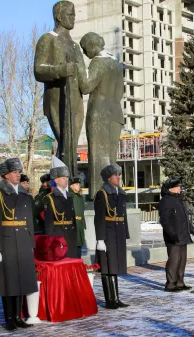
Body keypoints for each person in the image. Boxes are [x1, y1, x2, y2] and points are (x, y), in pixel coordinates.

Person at [34, 0, 85, 176]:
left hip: (76, 100)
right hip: (57, 98)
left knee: (72, 144)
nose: (73, 17)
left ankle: (70, 182)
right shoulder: (48, 39)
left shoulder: (75, 45)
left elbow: (83, 79)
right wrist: (60, 70)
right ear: (58, 16)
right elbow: (38, 70)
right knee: (64, 142)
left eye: (74, 14)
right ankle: (63, 183)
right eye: (69, 14)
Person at [0, 158, 37, 331]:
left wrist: (31, 242)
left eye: (18, 172)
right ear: (6, 175)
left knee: (21, 280)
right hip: (7, 240)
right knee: (9, 282)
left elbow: (29, 219)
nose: (18, 175)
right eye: (15, 172)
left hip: (23, 240)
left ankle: (18, 316)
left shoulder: (24, 193)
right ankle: (9, 318)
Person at [77, 31, 125, 199]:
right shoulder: (117, 65)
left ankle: (98, 195)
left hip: (99, 113)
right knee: (111, 156)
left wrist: (79, 67)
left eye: (84, 49)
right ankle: (113, 193)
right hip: (116, 113)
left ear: (91, 46)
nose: (85, 53)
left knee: (97, 156)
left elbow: (86, 86)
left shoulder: (99, 62)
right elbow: (121, 92)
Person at [94, 163, 130, 309]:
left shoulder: (120, 193)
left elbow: (123, 215)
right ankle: (110, 299)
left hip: (118, 232)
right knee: (107, 267)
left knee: (115, 266)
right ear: (109, 178)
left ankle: (116, 298)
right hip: (108, 233)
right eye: (116, 175)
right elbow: (99, 218)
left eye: (119, 175)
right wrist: (100, 238)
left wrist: (125, 233)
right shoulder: (102, 194)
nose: (118, 177)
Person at [159, 177, 194, 292]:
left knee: (182, 259)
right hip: (173, 235)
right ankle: (171, 283)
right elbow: (165, 220)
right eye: (177, 187)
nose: (180, 189)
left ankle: (180, 282)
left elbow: (184, 216)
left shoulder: (180, 199)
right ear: (170, 189)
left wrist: (190, 227)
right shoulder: (166, 200)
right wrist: (171, 233)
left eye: (180, 187)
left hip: (183, 234)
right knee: (174, 259)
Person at [42, 156, 78, 258]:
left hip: (70, 233)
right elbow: (49, 222)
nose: (66, 180)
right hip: (59, 234)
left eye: (67, 178)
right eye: (63, 178)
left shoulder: (70, 196)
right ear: (56, 180)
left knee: (71, 259)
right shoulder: (49, 198)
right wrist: (51, 240)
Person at [70, 176, 87, 257]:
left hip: (79, 224)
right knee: (74, 246)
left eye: (78, 184)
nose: (78, 186)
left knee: (79, 245)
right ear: (71, 186)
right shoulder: (70, 196)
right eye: (76, 184)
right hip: (73, 224)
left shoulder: (79, 197)